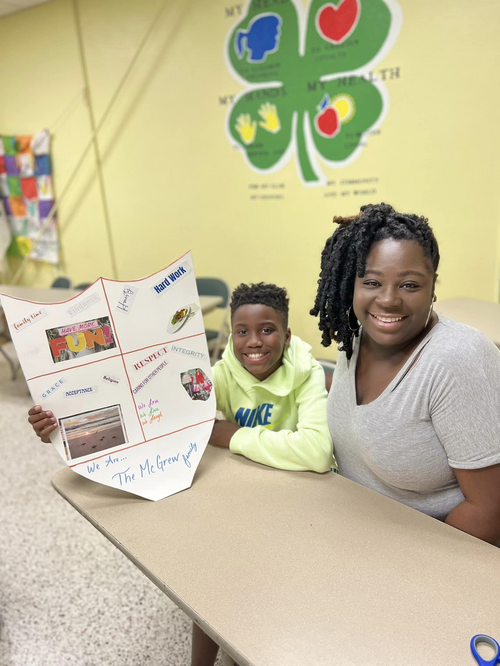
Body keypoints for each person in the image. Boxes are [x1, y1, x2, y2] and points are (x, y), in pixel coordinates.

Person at [29, 281, 335, 666]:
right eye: (242, 331)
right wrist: (66, 427)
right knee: (212, 577)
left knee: (269, 586)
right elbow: (155, 413)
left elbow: (317, 452)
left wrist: (233, 435)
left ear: (287, 336)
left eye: (267, 330)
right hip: (242, 499)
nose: (254, 342)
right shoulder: (220, 375)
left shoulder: (308, 374)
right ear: (232, 336)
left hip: (299, 507)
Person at [311, 202, 500, 545]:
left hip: (432, 552)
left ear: (433, 286)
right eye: (372, 281)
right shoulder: (355, 337)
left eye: (409, 285)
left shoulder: (458, 360)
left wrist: (402, 563)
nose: (388, 300)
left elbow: (490, 512)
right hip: (354, 530)